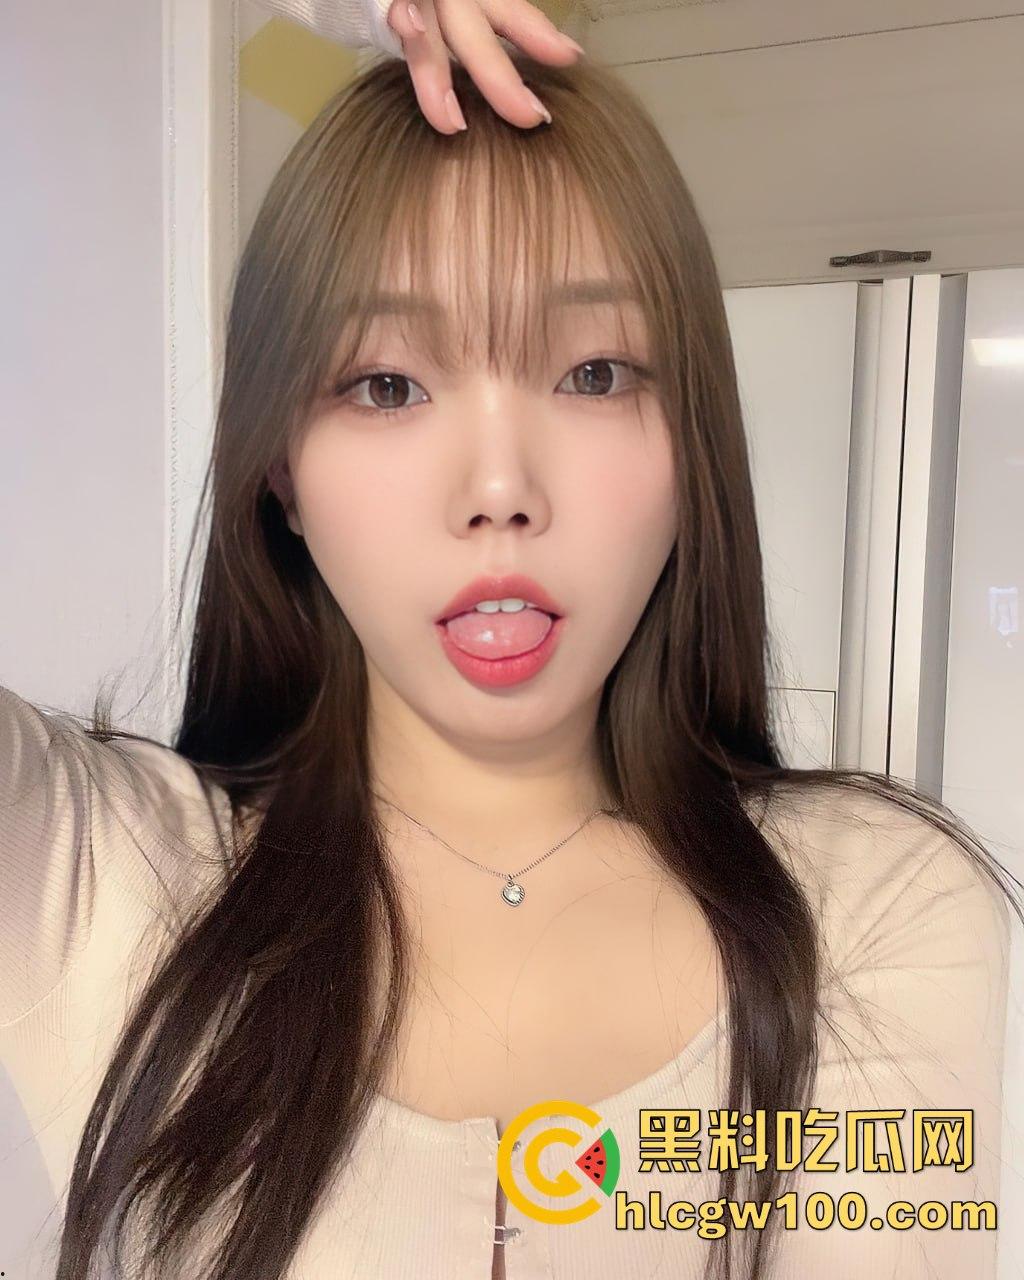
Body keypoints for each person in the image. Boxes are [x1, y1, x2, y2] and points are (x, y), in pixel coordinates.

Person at [1, 5, 1020, 1280]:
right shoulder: (95, 875)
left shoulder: (873, 902)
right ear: (278, 471)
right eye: (386, 384)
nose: (499, 489)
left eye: (594, 374)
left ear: (694, 442)